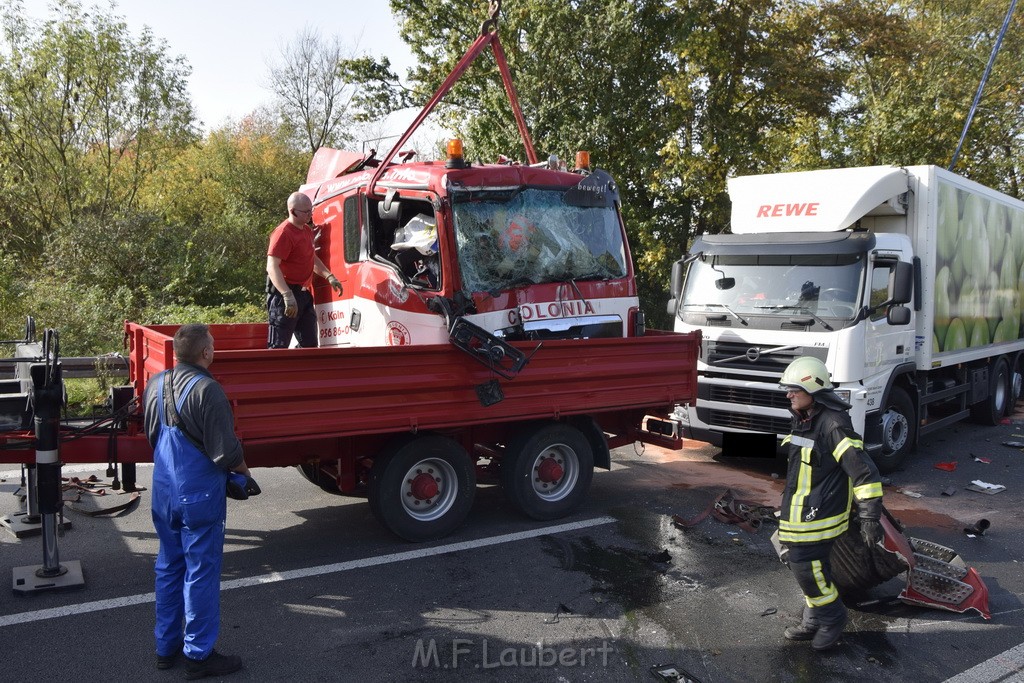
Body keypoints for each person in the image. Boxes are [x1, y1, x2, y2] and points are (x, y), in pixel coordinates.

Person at [143, 323, 249, 679]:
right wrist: (245, 476)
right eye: (213, 346)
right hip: (198, 494)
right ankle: (199, 655)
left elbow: (152, 436)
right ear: (205, 352)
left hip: (164, 489)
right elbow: (225, 452)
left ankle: (165, 647)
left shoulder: (156, 385)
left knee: (168, 566)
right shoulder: (209, 390)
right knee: (200, 572)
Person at [776, 356, 884, 651]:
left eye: (793, 390)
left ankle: (833, 616)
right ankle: (814, 619)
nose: (788, 395)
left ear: (813, 390)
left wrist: (870, 517)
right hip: (800, 512)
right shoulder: (804, 418)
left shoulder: (833, 424)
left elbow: (864, 472)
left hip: (819, 515)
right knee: (812, 567)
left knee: (804, 566)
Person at [266, 191, 344, 348]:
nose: (310, 214)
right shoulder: (283, 233)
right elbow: (272, 266)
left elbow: (311, 258)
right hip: (284, 296)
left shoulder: (307, 231)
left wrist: (329, 276)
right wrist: (287, 295)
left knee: (310, 346)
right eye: (306, 211)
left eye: (311, 210)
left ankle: (300, 370)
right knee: (278, 347)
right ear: (293, 211)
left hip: (303, 295)